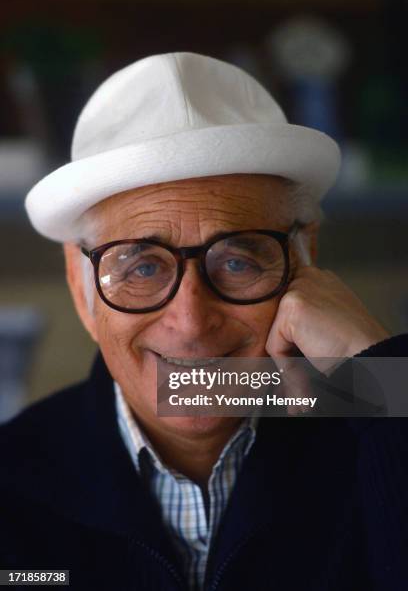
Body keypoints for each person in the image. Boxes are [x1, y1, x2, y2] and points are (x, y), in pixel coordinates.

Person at [1, 52, 407, 591]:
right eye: (142, 266)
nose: (190, 321)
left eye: (237, 262)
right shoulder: (10, 481)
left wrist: (383, 383)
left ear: (303, 259)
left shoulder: (378, 438)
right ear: (82, 290)